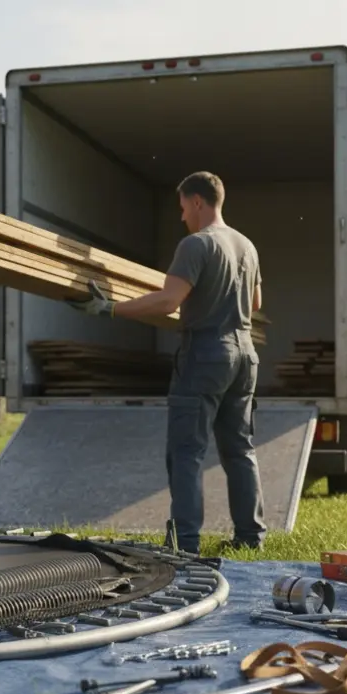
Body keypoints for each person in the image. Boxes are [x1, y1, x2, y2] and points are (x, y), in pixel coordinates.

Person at [68, 171, 266, 555]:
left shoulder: (196, 244)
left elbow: (168, 301)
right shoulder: (246, 245)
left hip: (206, 353)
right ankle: (250, 538)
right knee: (240, 449)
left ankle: (185, 544)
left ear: (197, 202)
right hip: (245, 355)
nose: (182, 216)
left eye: (183, 207)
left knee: (186, 452)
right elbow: (256, 303)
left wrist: (110, 308)